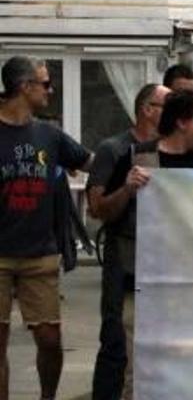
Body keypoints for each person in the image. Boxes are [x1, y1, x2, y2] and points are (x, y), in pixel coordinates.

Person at [0, 56, 93, 400]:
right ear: (24, 87)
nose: (50, 91)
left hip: (40, 253)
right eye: (45, 83)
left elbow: (91, 163)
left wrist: (131, 167)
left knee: (50, 341)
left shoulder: (49, 135)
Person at [86, 83, 170, 400]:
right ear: (147, 109)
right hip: (124, 259)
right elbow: (97, 209)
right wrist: (127, 189)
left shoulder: (171, 151)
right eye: (167, 105)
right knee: (115, 340)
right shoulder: (114, 149)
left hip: (163, 262)